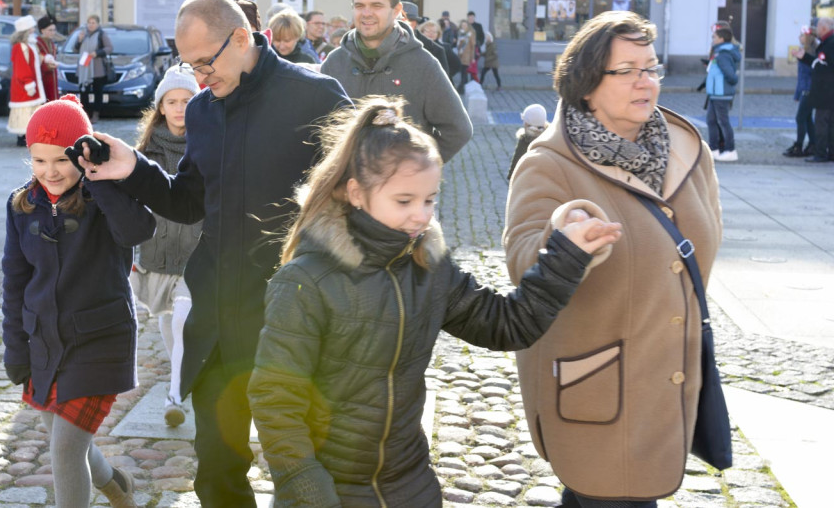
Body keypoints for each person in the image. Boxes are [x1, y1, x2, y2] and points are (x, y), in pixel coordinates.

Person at [247, 97, 621, 507]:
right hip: (330, 491)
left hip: (411, 486)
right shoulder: (305, 282)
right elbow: (276, 400)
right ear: (355, 192)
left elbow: (508, 323)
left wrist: (565, 254)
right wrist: (308, 492)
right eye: (404, 201)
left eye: (430, 200)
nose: (422, 216)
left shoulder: (428, 265)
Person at [79, 0, 350, 507]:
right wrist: (132, 167)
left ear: (243, 38)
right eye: (189, 65)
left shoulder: (317, 98)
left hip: (289, 321)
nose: (199, 78)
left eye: (206, 62)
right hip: (217, 325)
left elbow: (363, 195)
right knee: (218, 474)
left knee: (304, 470)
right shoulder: (203, 111)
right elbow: (187, 202)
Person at [504, 11, 723, 507]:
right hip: (597, 385)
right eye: (627, 71)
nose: (645, 82)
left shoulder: (689, 149)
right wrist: (564, 239)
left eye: (652, 68)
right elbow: (522, 264)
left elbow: (705, 238)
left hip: (667, 376)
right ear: (586, 85)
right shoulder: (549, 163)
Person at [2, 95, 155, 508]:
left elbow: (138, 230)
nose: (50, 172)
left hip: (99, 341)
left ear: (81, 155)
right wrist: (16, 348)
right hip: (44, 343)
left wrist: (100, 178)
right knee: (64, 435)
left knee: (66, 447)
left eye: (61, 160)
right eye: (38, 160)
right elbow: (14, 282)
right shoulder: (22, 206)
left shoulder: (101, 199)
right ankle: (115, 486)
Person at [321, 0, 472, 162]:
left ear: (396, 10)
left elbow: (458, 129)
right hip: (348, 188)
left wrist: (417, 170)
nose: (366, 13)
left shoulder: (422, 63)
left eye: (377, 5)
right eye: (360, 6)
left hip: (402, 189)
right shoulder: (334, 63)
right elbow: (319, 128)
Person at [130, 65, 201, 427]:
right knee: (169, 325)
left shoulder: (207, 144)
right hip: (156, 254)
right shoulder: (144, 151)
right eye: (171, 101)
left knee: (185, 320)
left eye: (187, 100)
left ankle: (175, 393)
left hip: (196, 252)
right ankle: (183, 379)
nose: (179, 108)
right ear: (160, 106)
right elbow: (130, 204)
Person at [797, 16, 834, 162]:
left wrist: (808, 60)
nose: (816, 30)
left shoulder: (830, 43)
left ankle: (820, 153)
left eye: (817, 27)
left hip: (826, 91)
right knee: (829, 123)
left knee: (822, 123)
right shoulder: (827, 42)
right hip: (827, 90)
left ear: (824, 28)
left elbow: (825, 66)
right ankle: (830, 152)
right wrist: (804, 57)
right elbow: (819, 62)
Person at [7, 15, 46, 147]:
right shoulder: (20, 47)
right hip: (24, 85)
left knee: (30, 111)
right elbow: (21, 67)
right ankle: (23, 137)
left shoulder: (29, 44)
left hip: (30, 84)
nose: (34, 29)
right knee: (25, 111)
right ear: (27, 29)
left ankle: (28, 135)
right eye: (32, 27)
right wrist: (28, 82)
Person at [706, 24, 741, 162]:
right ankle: (713, 149)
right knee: (711, 120)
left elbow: (731, 76)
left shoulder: (723, 55)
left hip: (721, 94)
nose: (712, 39)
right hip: (715, 93)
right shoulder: (719, 52)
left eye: (714, 37)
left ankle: (730, 150)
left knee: (723, 122)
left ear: (721, 39)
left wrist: (724, 82)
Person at [73, 14, 113, 123]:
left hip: (97, 69)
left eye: (93, 23)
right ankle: (85, 114)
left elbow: (109, 48)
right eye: (89, 22)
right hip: (84, 69)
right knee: (84, 93)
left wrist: (97, 53)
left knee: (97, 92)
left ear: (98, 24)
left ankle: (96, 114)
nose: (90, 25)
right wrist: (79, 40)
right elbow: (75, 49)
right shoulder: (83, 34)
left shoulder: (101, 34)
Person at [784, 24, 816, 157]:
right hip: (805, 89)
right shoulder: (804, 51)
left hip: (809, 90)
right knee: (807, 118)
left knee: (800, 118)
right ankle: (813, 144)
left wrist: (802, 58)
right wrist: (798, 93)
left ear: (808, 37)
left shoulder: (810, 53)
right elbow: (801, 76)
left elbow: (810, 73)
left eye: (802, 35)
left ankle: (799, 145)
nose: (799, 37)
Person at [401, 1, 450, 77]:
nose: (404, 24)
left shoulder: (435, 49)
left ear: (416, 24)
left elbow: (443, 78)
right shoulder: (383, 43)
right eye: (400, 20)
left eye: (410, 21)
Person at [508, 103, 548, 180]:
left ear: (526, 123)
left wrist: (511, 177)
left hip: (526, 181)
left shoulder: (525, 140)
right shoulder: (549, 137)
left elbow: (515, 165)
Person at [37, 14, 60, 102]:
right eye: (50, 30)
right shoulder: (37, 44)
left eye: (54, 30)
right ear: (42, 30)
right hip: (42, 80)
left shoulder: (52, 44)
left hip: (52, 79)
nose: (53, 32)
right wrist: (47, 67)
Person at [456, 18, 478, 87]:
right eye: (462, 25)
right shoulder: (460, 33)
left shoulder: (470, 34)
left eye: (465, 25)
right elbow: (458, 46)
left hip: (467, 55)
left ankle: (463, 85)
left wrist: (473, 57)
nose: (464, 26)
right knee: (462, 71)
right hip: (461, 55)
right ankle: (464, 84)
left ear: (467, 26)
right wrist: (459, 42)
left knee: (465, 71)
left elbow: (473, 46)